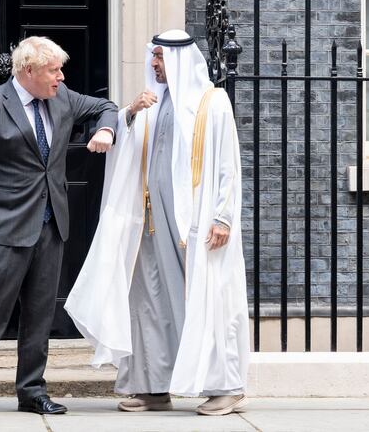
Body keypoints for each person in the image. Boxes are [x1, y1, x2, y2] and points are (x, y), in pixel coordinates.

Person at [65, 29, 250, 416]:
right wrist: (129, 113)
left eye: (160, 59)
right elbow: (127, 150)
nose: (153, 65)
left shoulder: (211, 103)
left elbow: (228, 166)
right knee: (148, 301)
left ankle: (226, 386)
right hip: (149, 222)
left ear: (180, 60)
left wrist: (223, 216)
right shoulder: (152, 103)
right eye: (153, 58)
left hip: (196, 224)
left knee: (205, 299)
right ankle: (152, 386)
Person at [0, 36, 118, 419]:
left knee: (41, 315)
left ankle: (31, 391)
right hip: (2, 228)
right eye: (53, 70)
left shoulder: (63, 98)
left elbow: (106, 106)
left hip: (51, 226)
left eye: (60, 70)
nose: (60, 77)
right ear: (28, 71)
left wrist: (105, 130)